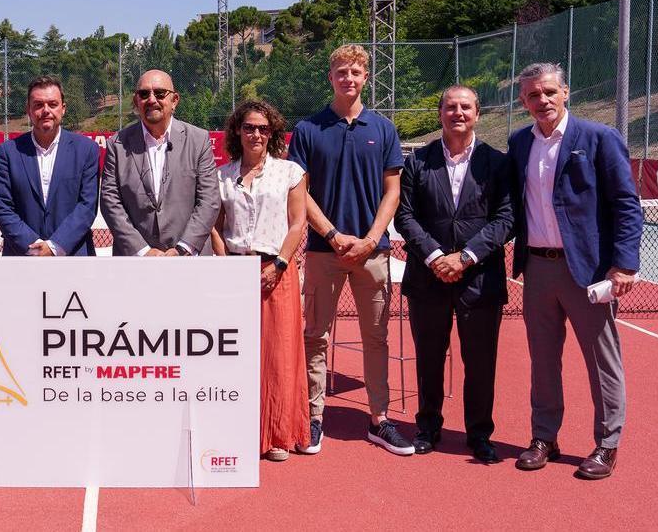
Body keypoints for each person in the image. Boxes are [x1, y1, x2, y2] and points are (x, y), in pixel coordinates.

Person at [508, 62, 643, 480]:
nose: (542, 101)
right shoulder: (518, 144)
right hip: (537, 269)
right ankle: (544, 437)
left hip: (589, 272)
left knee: (602, 362)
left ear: (566, 92)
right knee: (543, 361)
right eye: (533, 95)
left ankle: (607, 444)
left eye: (549, 92)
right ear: (523, 102)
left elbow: (626, 204)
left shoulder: (600, 138)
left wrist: (623, 264)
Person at [287, 43, 412, 456]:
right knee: (315, 337)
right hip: (325, 252)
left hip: (372, 253)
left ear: (366, 77)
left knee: (376, 338)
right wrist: (333, 234)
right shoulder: (308, 129)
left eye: (356, 72)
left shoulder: (383, 129)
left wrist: (372, 238)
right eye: (341, 72)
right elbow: (299, 193)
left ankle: (380, 419)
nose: (349, 79)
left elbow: (392, 191)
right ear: (331, 77)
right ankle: (314, 417)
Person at [394, 85, 513, 463]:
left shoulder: (497, 162)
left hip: (480, 280)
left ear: (477, 113)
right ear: (440, 114)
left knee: (479, 362)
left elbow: (506, 218)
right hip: (427, 278)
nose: (457, 113)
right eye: (450, 107)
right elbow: (404, 216)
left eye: (465, 107)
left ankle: (479, 434)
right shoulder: (418, 161)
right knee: (429, 357)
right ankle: (427, 427)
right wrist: (435, 256)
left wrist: (464, 257)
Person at [210, 100, 311, 462]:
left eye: (263, 129)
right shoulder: (221, 176)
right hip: (234, 272)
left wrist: (280, 264)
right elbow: (215, 226)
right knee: (236, 355)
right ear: (237, 130)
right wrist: (225, 267)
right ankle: (240, 430)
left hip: (276, 273)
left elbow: (298, 222)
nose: (256, 134)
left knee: (279, 355)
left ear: (273, 134)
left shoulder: (290, 172)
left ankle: (278, 435)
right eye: (249, 127)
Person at [99, 69, 219, 256]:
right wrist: (142, 251)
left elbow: (209, 200)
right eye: (144, 94)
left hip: (190, 262)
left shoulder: (198, 140)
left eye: (160, 93)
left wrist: (183, 248)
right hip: (135, 263)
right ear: (136, 101)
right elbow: (110, 201)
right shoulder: (117, 145)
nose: (152, 99)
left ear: (175, 100)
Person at [0, 76, 99, 256]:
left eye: (53, 104)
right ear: (29, 110)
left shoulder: (86, 150)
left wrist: (55, 246)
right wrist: (34, 246)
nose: (46, 110)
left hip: (73, 259)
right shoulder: (8, 152)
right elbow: (2, 208)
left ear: (63, 108)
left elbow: (87, 206)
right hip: (21, 258)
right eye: (38, 105)